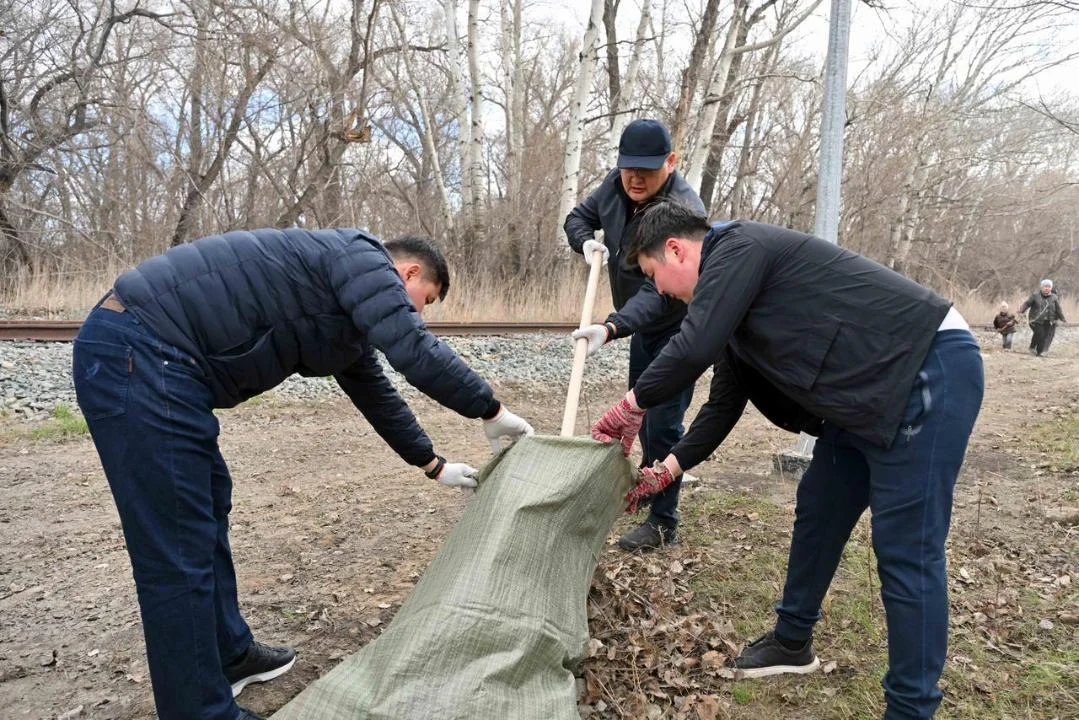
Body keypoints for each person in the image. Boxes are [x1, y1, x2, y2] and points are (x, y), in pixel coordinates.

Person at [72, 229, 534, 720]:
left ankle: (228, 655)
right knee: (176, 546)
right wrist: (490, 410)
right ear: (409, 273)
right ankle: (197, 712)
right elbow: (412, 348)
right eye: (427, 300)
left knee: (206, 510)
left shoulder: (344, 306)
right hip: (139, 354)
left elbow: (375, 392)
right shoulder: (364, 260)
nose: (420, 314)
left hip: (161, 363)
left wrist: (433, 465)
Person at [591, 202, 984, 720]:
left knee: (907, 548)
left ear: (676, 250)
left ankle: (911, 708)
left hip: (926, 363)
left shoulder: (739, 247)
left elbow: (692, 348)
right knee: (820, 506)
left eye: (652, 276)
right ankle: (793, 641)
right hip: (864, 393)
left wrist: (630, 406)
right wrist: (666, 471)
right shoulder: (731, 306)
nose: (659, 291)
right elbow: (722, 407)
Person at [564, 118, 705, 552]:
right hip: (641, 327)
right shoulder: (616, 185)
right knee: (639, 418)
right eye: (628, 168)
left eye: (646, 169)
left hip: (678, 327)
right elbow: (578, 217)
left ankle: (663, 523)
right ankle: (647, 486)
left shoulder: (683, 211)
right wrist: (585, 241)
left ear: (671, 162)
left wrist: (612, 326)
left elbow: (658, 292)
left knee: (663, 424)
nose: (635, 179)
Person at [1018, 279, 1066, 356]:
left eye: (1049, 287)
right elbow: (1027, 304)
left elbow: (1058, 309)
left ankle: (1038, 352)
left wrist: (1063, 318)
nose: (1047, 288)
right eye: (1045, 286)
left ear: (1051, 288)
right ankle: (1035, 349)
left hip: (1048, 321)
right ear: (1042, 287)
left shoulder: (1054, 297)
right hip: (1036, 320)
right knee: (1040, 334)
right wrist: (1021, 311)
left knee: (1043, 336)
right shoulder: (1035, 296)